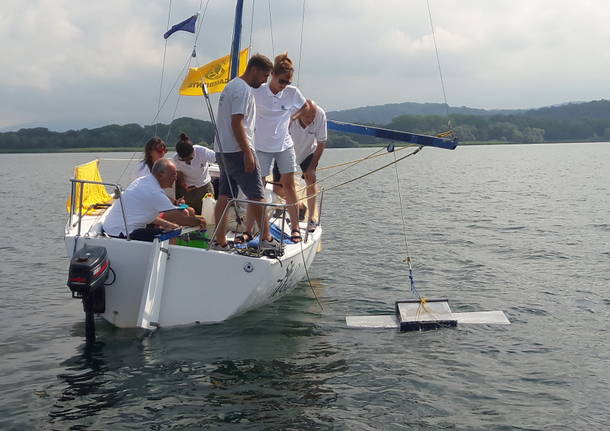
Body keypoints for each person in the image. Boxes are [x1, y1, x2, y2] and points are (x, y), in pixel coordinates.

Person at [213, 53, 278, 250]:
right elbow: (236, 122)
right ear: (254, 70)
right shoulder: (243, 90)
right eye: (264, 76)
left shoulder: (231, 85)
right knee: (257, 195)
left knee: (224, 195)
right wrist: (248, 153)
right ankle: (266, 239)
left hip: (222, 150)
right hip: (238, 150)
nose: (265, 81)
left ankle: (219, 241)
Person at [251, 53, 309, 242]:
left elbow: (307, 107)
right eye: (281, 81)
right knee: (256, 188)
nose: (284, 85)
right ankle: (249, 228)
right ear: (272, 75)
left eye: (287, 82)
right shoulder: (258, 91)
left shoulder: (292, 92)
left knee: (289, 186)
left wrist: (294, 116)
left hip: (284, 144)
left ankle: (294, 228)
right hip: (261, 145)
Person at [103, 159, 205, 241]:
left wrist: (169, 224)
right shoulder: (154, 191)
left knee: (169, 228)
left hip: (112, 228)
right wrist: (201, 222)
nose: (175, 178)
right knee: (169, 235)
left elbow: (144, 215)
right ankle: (169, 259)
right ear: (161, 174)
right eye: (173, 174)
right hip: (121, 234)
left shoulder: (143, 181)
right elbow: (181, 219)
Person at [276, 100, 326, 232]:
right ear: (300, 113)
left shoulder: (320, 115)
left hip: (308, 151)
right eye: (307, 116)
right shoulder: (290, 115)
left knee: (311, 180)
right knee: (278, 187)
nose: (310, 120)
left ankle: (311, 219)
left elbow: (321, 143)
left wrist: (311, 168)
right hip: (286, 150)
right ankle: (298, 205)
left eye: (312, 116)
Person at [172, 132, 216, 214]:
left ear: (193, 151)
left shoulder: (202, 151)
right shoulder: (175, 159)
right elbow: (179, 174)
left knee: (208, 213)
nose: (188, 161)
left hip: (204, 186)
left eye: (190, 158)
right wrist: (184, 185)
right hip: (187, 190)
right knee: (188, 214)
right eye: (184, 160)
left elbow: (219, 159)